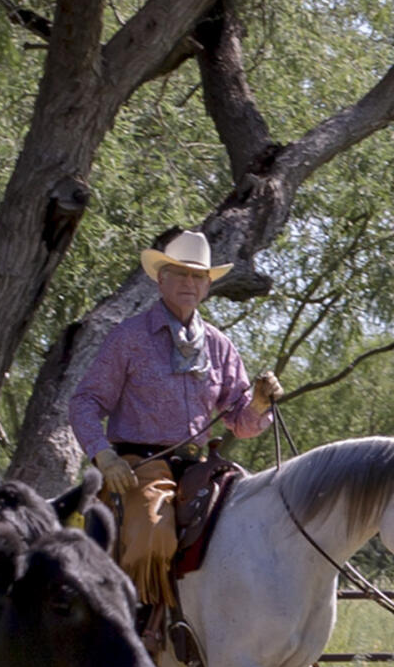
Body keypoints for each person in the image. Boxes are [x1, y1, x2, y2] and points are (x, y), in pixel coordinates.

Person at [69, 230, 279, 618]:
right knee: (152, 535)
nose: (189, 283)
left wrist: (260, 403)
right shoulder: (129, 338)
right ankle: (133, 630)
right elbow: (85, 401)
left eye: (198, 277)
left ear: (207, 286)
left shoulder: (219, 345)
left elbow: (239, 422)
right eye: (179, 274)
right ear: (160, 278)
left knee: (261, 521)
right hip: (140, 465)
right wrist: (104, 456)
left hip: (202, 468)